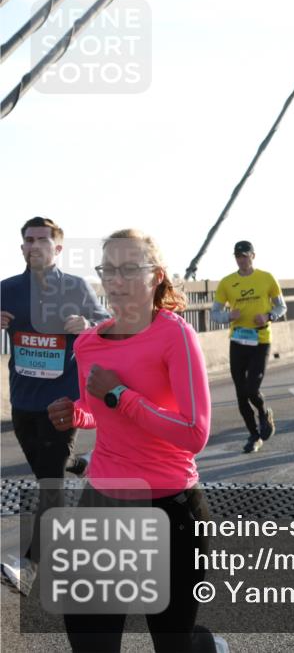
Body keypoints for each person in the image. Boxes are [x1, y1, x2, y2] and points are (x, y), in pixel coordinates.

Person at [46, 228, 220, 652]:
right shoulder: (89, 343)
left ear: (156, 276)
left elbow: (194, 433)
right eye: (108, 269)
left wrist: (121, 396)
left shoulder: (175, 335)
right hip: (103, 503)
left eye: (129, 269)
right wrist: (75, 414)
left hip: (170, 507)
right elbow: (96, 410)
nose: (115, 280)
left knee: (173, 644)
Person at [0, 217, 111, 594]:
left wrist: (87, 324)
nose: (34, 246)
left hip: (62, 402)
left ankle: (31, 566)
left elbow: (108, 327)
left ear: (57, 248)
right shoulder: (8, 289)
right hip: (22, 400)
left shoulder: (75, 287)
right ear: (22, 247)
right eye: (28, 240)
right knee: (47, 472)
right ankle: (79, 464)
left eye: (42, 240)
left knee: (49, 486)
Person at [211, 241, 286, 453]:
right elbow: (214, 313)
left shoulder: (267, 278)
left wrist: (268, 316)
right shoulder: (227, 283)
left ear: (253, 255)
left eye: (244, 256)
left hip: (260, 339)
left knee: (252, 388)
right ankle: (254, 435)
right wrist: (228, 316)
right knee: (240, 393)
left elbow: (281, 306)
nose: (241, 260)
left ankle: (263, 413)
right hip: (238, 340)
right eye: (238, 256)